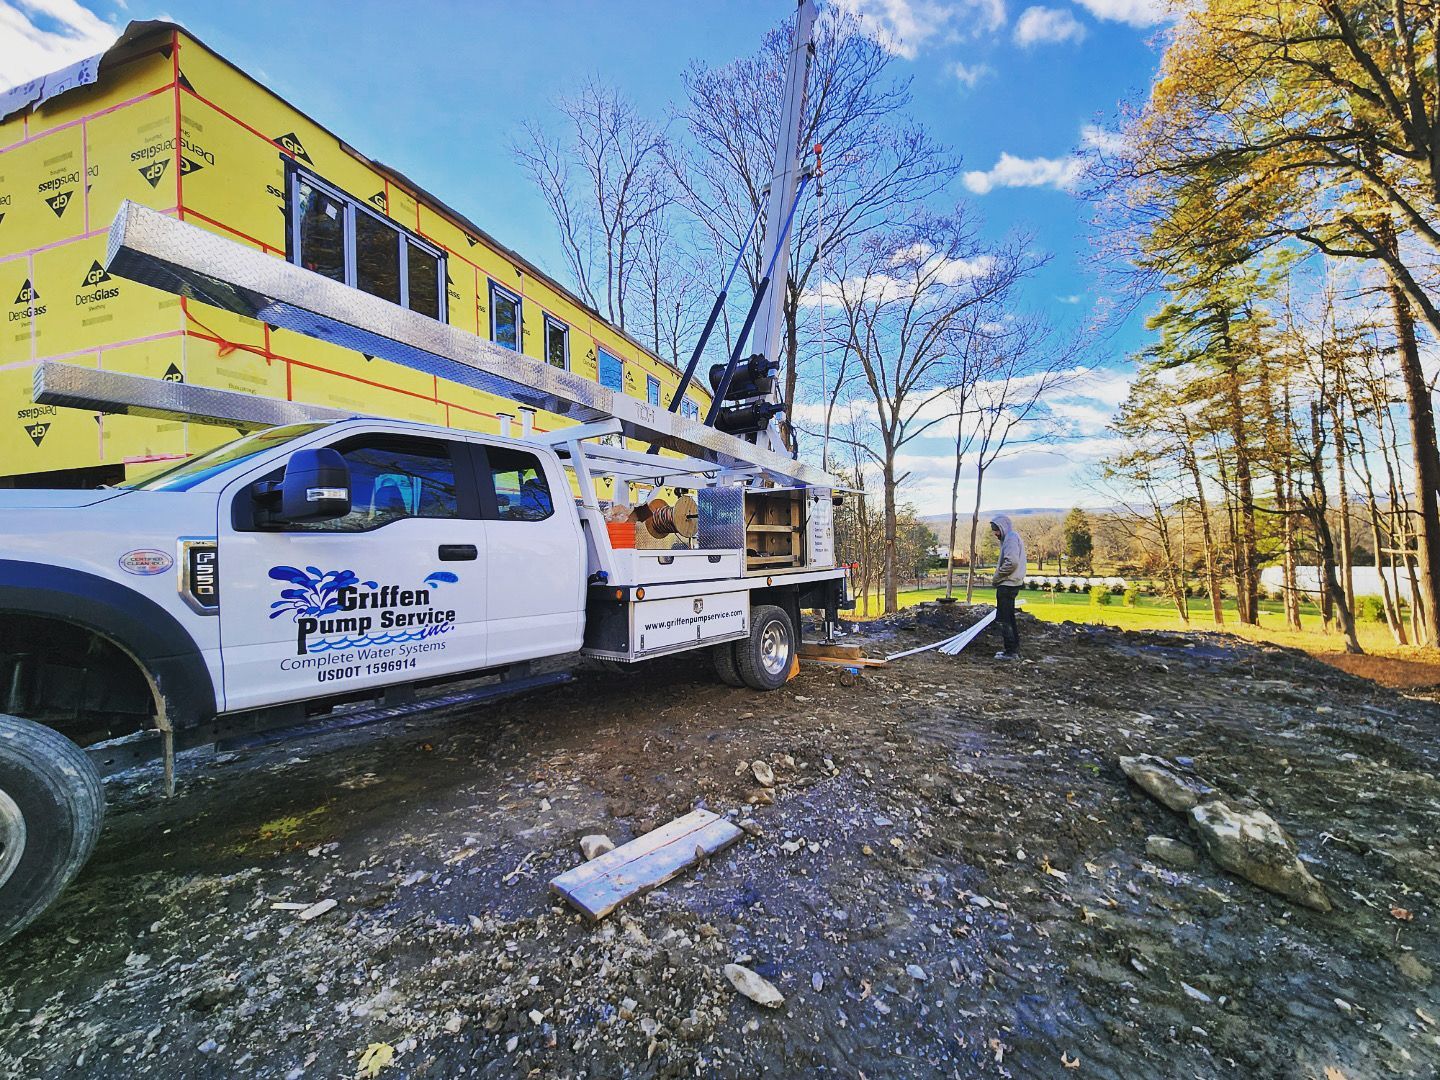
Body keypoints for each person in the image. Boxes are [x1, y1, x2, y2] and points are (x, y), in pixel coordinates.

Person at [988, 514, 1026, 660]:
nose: (995, 533)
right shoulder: (1011, 537)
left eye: (996, 530)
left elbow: (1011, 562)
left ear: (1003, 527)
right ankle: (1013, 649)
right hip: (1012, 583)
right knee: (1009, 617)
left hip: (1007, 584)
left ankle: (1010, 652)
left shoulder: (1010, 538)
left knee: (1004, 619)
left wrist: (997, 577)